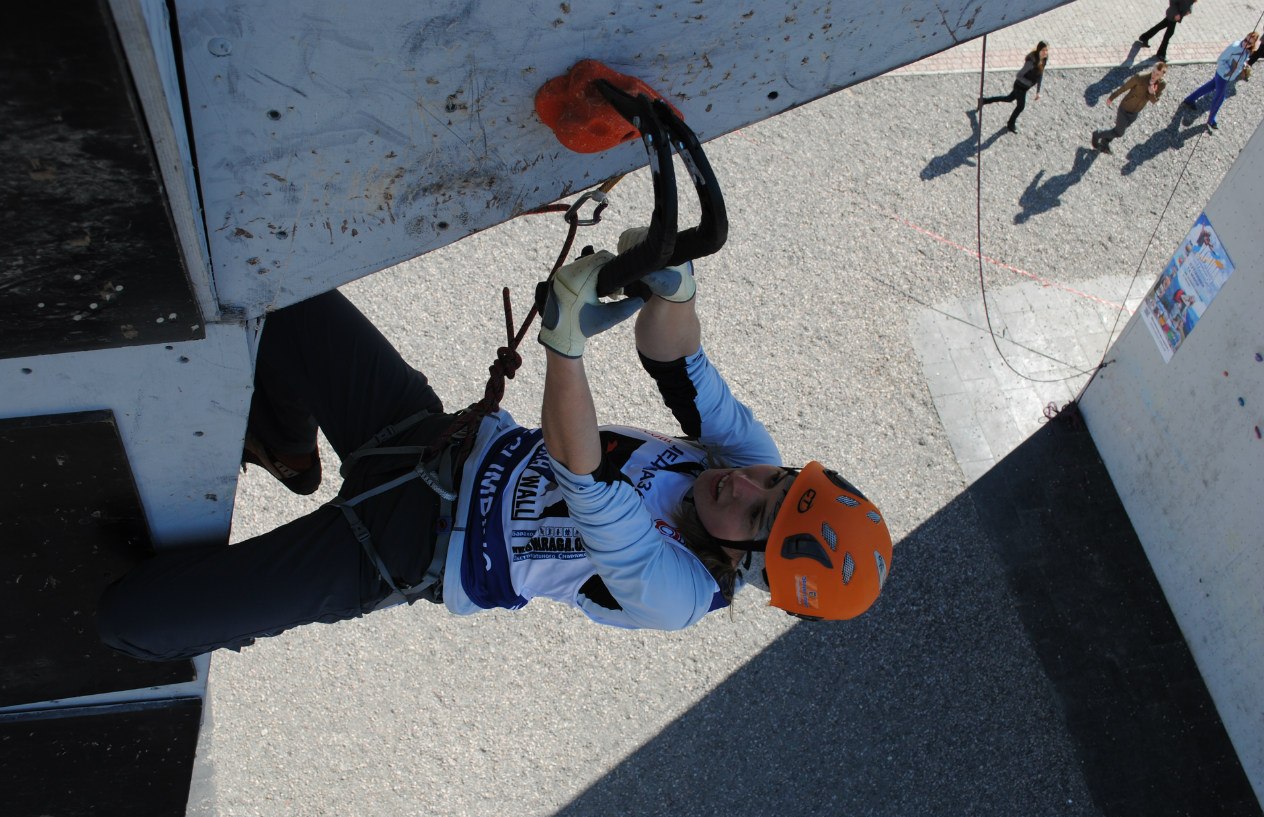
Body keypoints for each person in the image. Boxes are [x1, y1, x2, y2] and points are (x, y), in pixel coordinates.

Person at [96, 233, 894, 661]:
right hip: (432, 437)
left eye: (759, 519)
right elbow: (677, 362)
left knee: (134, 618)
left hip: (402, 550)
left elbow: (584, 475)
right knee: (273, 290)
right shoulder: (739, 462)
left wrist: (564, 345)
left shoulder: (679, 593)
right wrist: (671, 285)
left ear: (748, 569)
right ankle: (284, 442)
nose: (746, 488)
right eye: (777, 482)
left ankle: (242, 560)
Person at [1180, 31, 1259, 131]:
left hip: (1227, 77)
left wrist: (1243, 66)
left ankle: (1189, 99)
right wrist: (1228, 72)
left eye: (1249, 42)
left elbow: (1239, 61)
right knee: (1219, 99)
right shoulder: (1235, 47)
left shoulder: (1247, 51)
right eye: (1245, 39)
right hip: (1223, 75)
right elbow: (1220, 60)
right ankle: (1211, 120)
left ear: (1252, 44)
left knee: (1209, 87)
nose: (1245, 43)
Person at [1092, 62, 1167, 154]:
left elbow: (1154, 101)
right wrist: (1112, 97)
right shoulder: (1140, 77)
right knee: (1119, 133)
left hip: (1135, 112)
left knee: (1118, 129)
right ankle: (1097, 134)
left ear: (1163, 74)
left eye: (1157, 74)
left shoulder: (1162, 84)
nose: (1154, 75)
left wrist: (1151, 92)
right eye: (1153, 72)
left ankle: (1105, 142)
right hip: (1125, 108)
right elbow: (1124, 87)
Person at [980, 42, 1049, 133]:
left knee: (1008, 98)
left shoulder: (1044, 60)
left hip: (1025, 87)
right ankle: (1010, 124)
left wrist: (1038, 91)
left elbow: (1040, 74)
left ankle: (983, 101)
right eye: (1043, 50)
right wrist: (1030, 83)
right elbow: (1019, 75)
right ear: (1039, 50)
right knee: (1020, 106)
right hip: (1020, 86)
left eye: (1046, 50)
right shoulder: (1031, 62)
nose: (1045, 52)